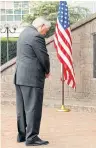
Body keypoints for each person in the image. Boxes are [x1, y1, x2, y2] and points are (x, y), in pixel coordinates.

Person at [14, 16, 51, 146]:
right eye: (45, 30)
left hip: (20, 77)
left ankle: (22, 135)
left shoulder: (24, 33)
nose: (45, 33)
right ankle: (32, 138)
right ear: (41, 26)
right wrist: (47, 70)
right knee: (33, 108)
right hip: (32, 78)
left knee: (22, 109)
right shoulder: (36, 36)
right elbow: (43, 56)